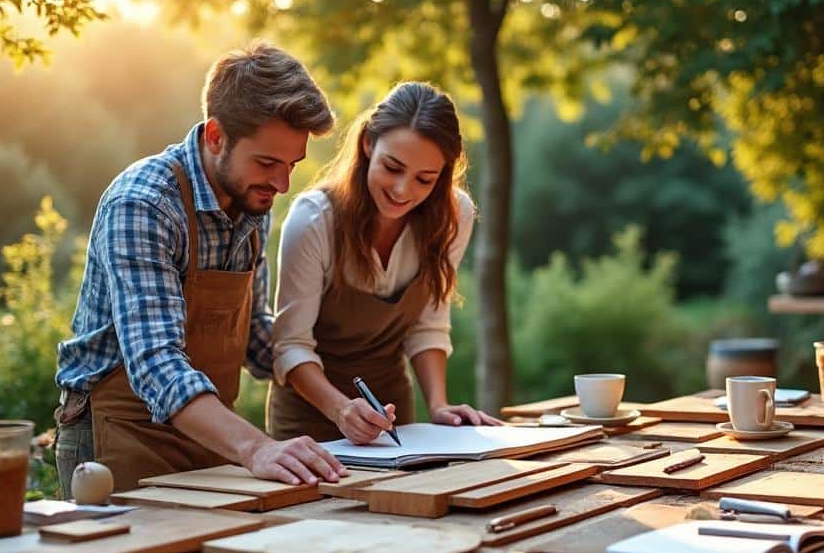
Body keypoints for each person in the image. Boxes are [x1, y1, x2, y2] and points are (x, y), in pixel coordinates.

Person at [54, 42, 344, 496]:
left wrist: (337, 399)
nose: (282, 184)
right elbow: (156, 363)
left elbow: (252, 334)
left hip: (210, 435)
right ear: (215, 136)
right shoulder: (143, 204)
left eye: (292, 165)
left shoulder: (253, 196)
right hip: (120, 437)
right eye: (268, 162)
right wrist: (257, 448)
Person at [267, 82, 501, 443]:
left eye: (425, 179)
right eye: (392, 168)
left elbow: (428, 325)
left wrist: (439, 405)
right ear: (367, 145)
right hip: (309, 423)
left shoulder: (454, 215)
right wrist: (343, 410)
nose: (403, 190)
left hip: (394, 421)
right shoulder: (315, 219)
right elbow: (290, 345)